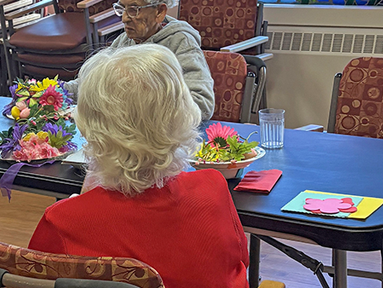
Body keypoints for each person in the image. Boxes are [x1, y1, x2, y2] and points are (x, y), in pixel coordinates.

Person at [29, 44, 249, 288]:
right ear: (181, 114)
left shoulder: (62, 222)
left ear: (91, 127)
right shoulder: (213, 188)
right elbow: (240, 264)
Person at [64, 0, 214, 121]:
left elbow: (202, 104)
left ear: (159, 12)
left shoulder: (180, 43)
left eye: (134, 10)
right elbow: (90, 83)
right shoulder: (125, 41)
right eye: (122, 8)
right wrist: (54, 91)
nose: (124, 18)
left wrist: (138, 108)